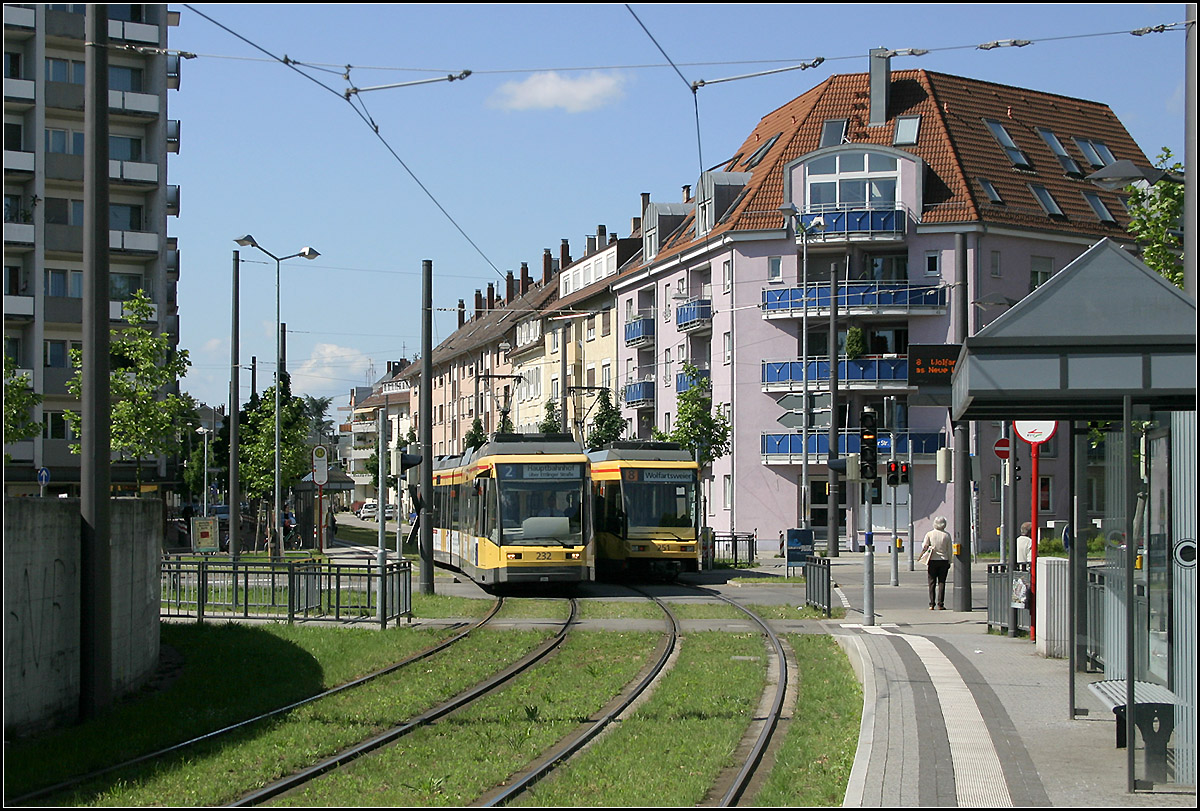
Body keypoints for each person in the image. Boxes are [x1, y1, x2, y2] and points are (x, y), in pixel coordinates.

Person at [920, 516, 953, 610]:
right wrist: (950, 561)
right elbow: (949, 550)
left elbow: (924, 545)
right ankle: (940, 604)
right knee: (942, 582)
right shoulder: (947, 535)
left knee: (931, 582)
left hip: (932, 560)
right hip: (943, 560)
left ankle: (931, 604)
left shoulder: (930, 534)